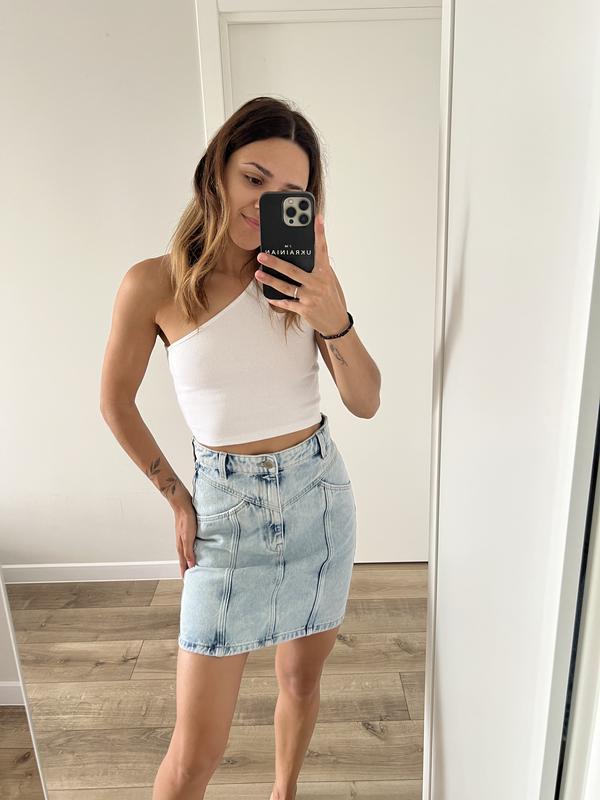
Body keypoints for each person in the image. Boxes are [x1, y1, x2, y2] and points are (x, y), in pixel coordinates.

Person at [100, 96, 381, 800]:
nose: (265, 203)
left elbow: (366, 400)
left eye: (290, 192)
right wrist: (177, 497)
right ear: (217, 170)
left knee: (301, 681)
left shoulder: (305, 276)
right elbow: (115, 402)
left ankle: (284, 791)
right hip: (225, 515)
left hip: (319, 501)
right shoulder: (153, 284)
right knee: (195, 755)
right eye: (255, 179)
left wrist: (333, 316)